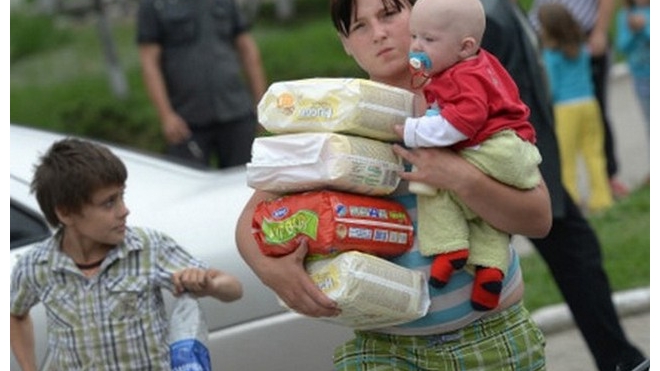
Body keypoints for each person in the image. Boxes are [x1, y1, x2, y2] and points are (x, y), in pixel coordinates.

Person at [237, 0, 553, 369]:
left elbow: (538, 217)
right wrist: (273, 271)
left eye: (389, 14)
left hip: (492, 339)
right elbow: (250, 223)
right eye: (359, 27)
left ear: (419, 14)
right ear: (345, 43)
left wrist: (460, 177)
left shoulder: (474, 97)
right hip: (386, 348)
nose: (379, 34)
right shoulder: (338, 117)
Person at [479, 0, 649, 369]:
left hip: (536, 161)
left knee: (578, 253)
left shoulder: (498, 7)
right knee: (575, 254)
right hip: (517, 168)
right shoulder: (480, 15)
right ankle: (620, 359)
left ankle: (619, 357)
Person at [10, 138, 244, 370]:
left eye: (122, 196)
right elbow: (15, 314)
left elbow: (233, 289)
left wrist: (209, 284)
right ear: (66, 213)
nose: (124, 210)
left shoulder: (148, 247)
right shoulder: (36, 266)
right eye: (109, 203)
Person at [397, 0, 541, 311]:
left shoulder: (462, 75)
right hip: (514, 150)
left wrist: (412, 131)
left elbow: (462, 123)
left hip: (496, 148)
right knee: (488, 219)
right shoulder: (480, 64)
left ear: (465, 47)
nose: (416, 47)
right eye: (414, 37)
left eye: (428, 40)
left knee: (434, 188)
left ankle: (449, 249)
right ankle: (490, 271)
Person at [136, 0, 267, 168]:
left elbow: (247, 49)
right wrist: (166, 115)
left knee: (246, 182)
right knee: (190, 186)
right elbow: (149, 63)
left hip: (235, 111)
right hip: (186, 120)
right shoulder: (154, 5)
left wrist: (261, 102)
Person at [528, 0, 629, 199]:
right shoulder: (583, 49)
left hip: (565, 111)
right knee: (594, 154)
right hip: (589, 106)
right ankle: (602, 198)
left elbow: (553, 87)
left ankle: (571, 198)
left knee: (567, 158)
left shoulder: (551, 56)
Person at [615, 0, 649, 141]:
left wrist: (644, 27)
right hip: (641, 77)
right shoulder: (625, 15)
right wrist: (632, 32)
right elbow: (622, 47)